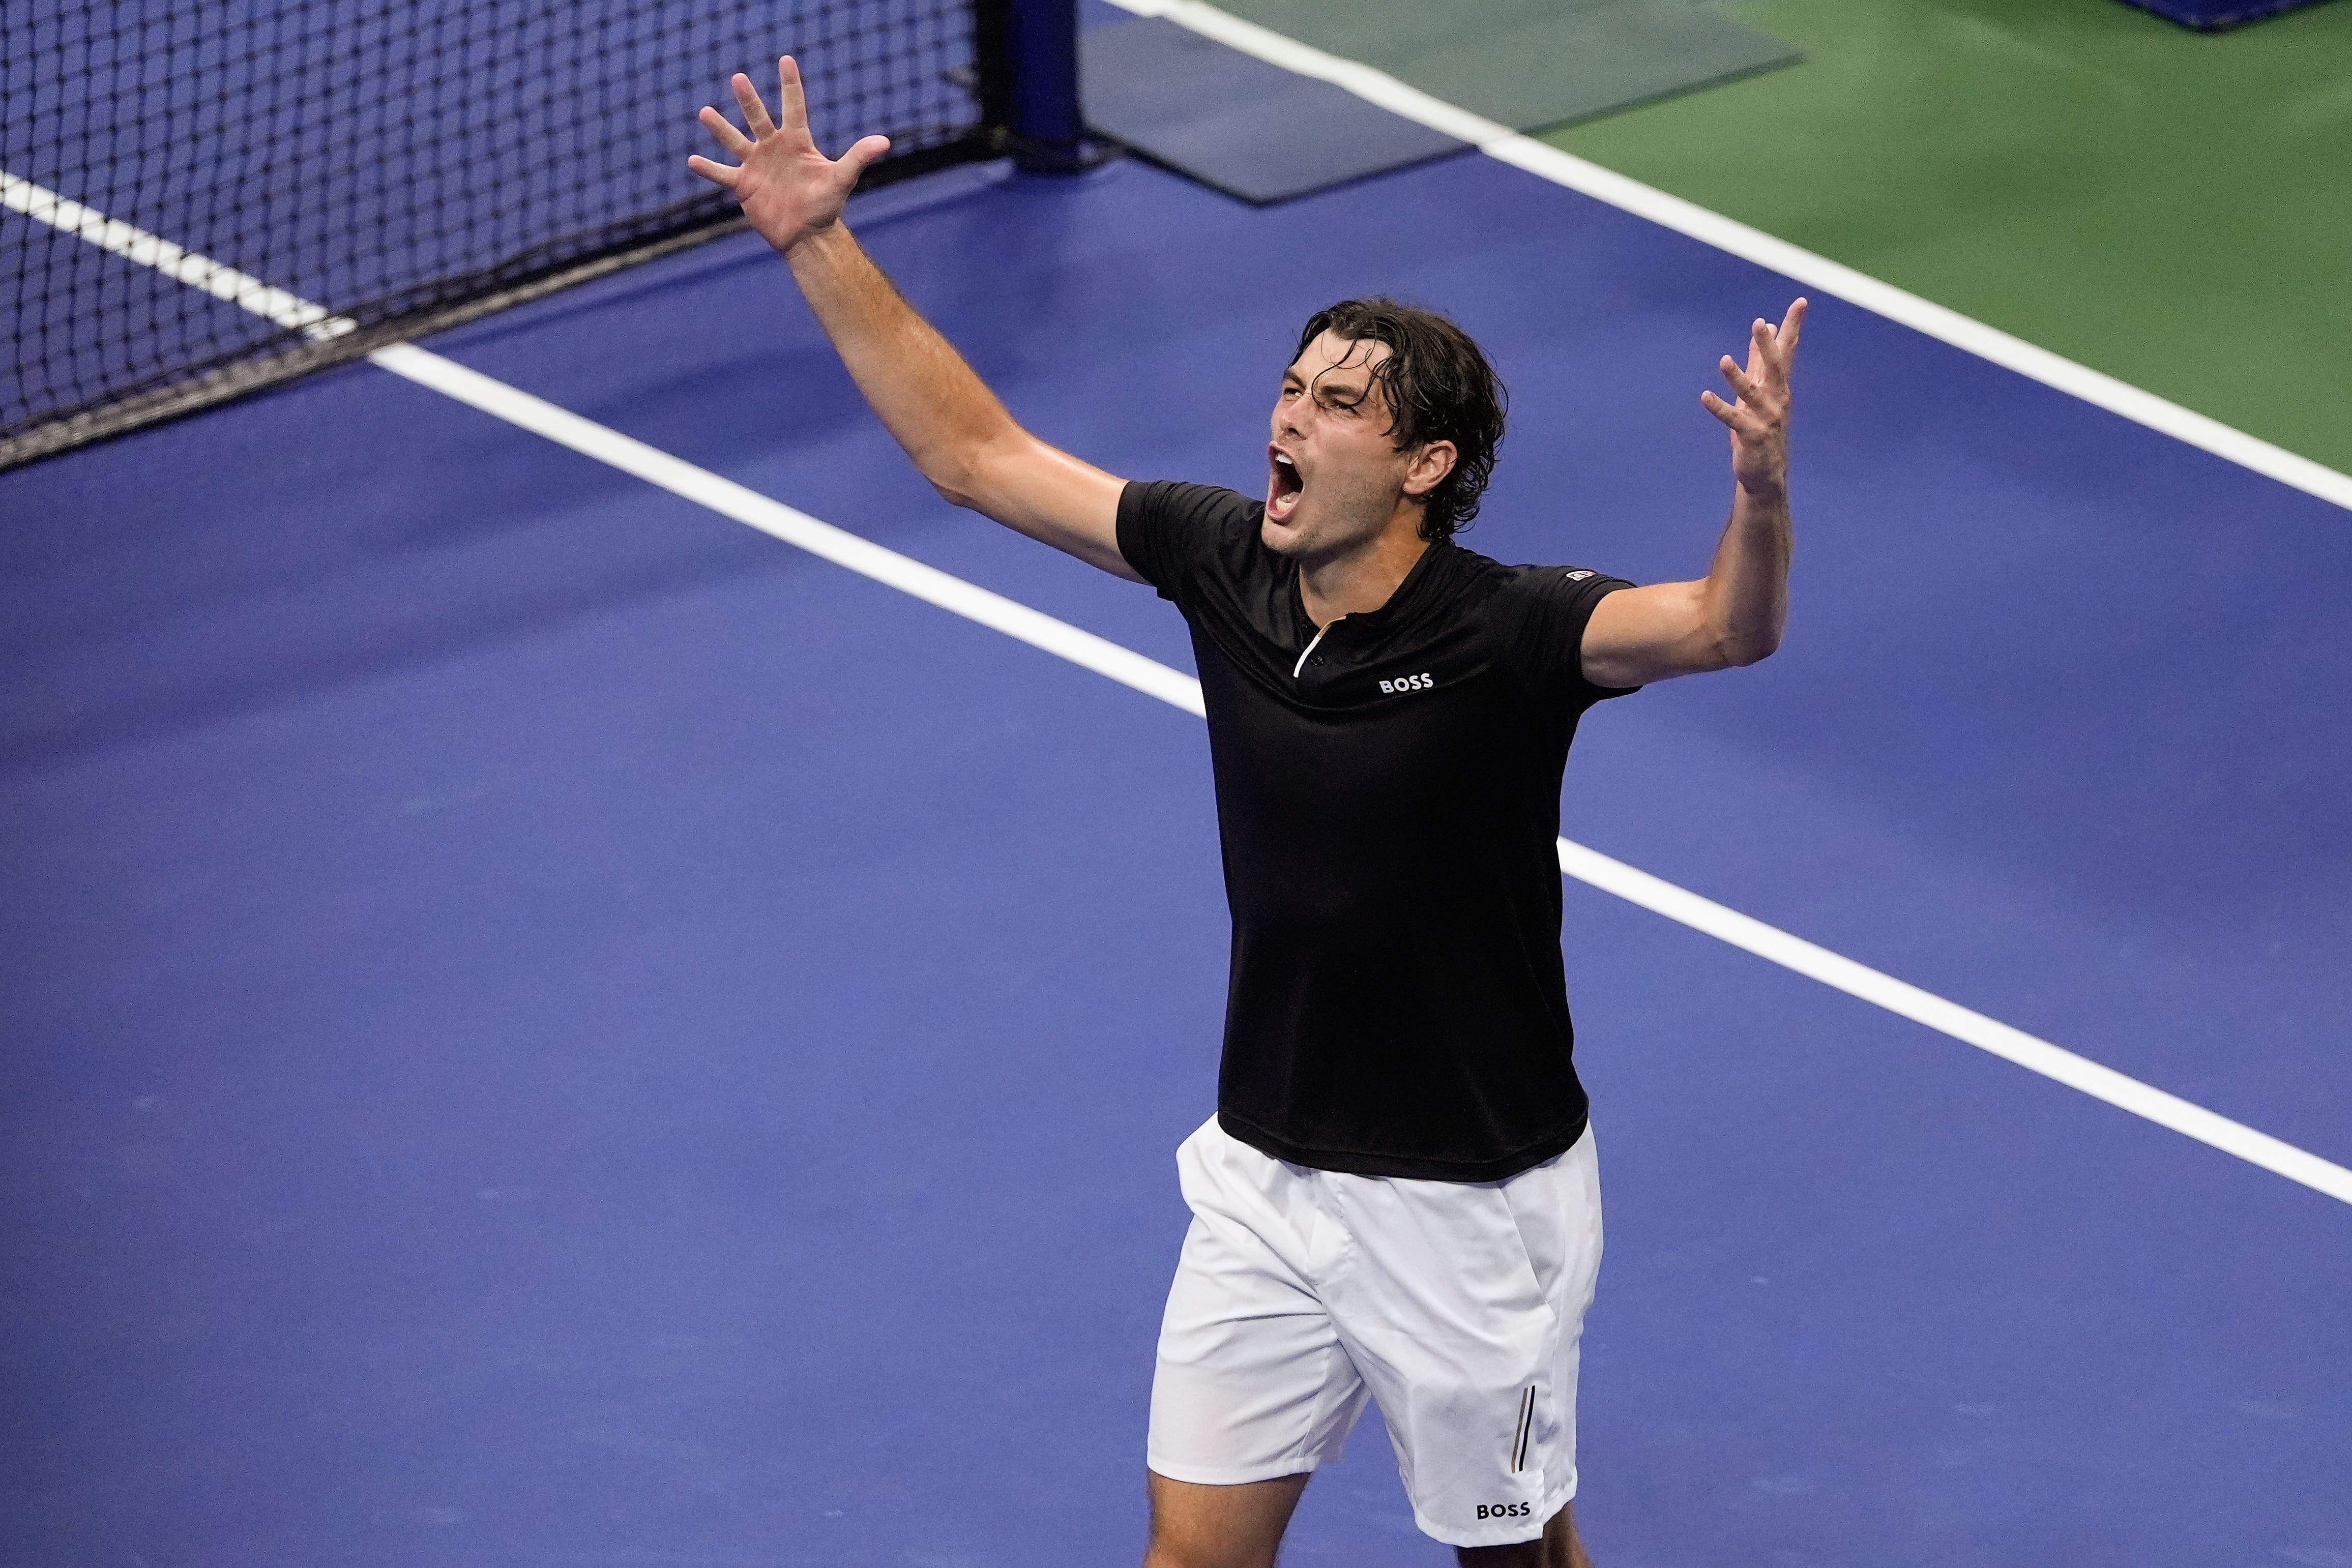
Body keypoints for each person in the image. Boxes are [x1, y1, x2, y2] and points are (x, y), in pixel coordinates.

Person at [691, 59, 1803, 1568]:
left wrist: (1757, 497)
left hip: (1470, 1204)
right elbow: (978, 458)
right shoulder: (1226, 561)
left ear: (1425, 468)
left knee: (1516, 1560)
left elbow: (1724, 629)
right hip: (1269, 1170)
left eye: (1338, 405)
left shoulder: (1513, 629)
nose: (1287, 418)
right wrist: (817, 240)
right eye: (1292, 386)